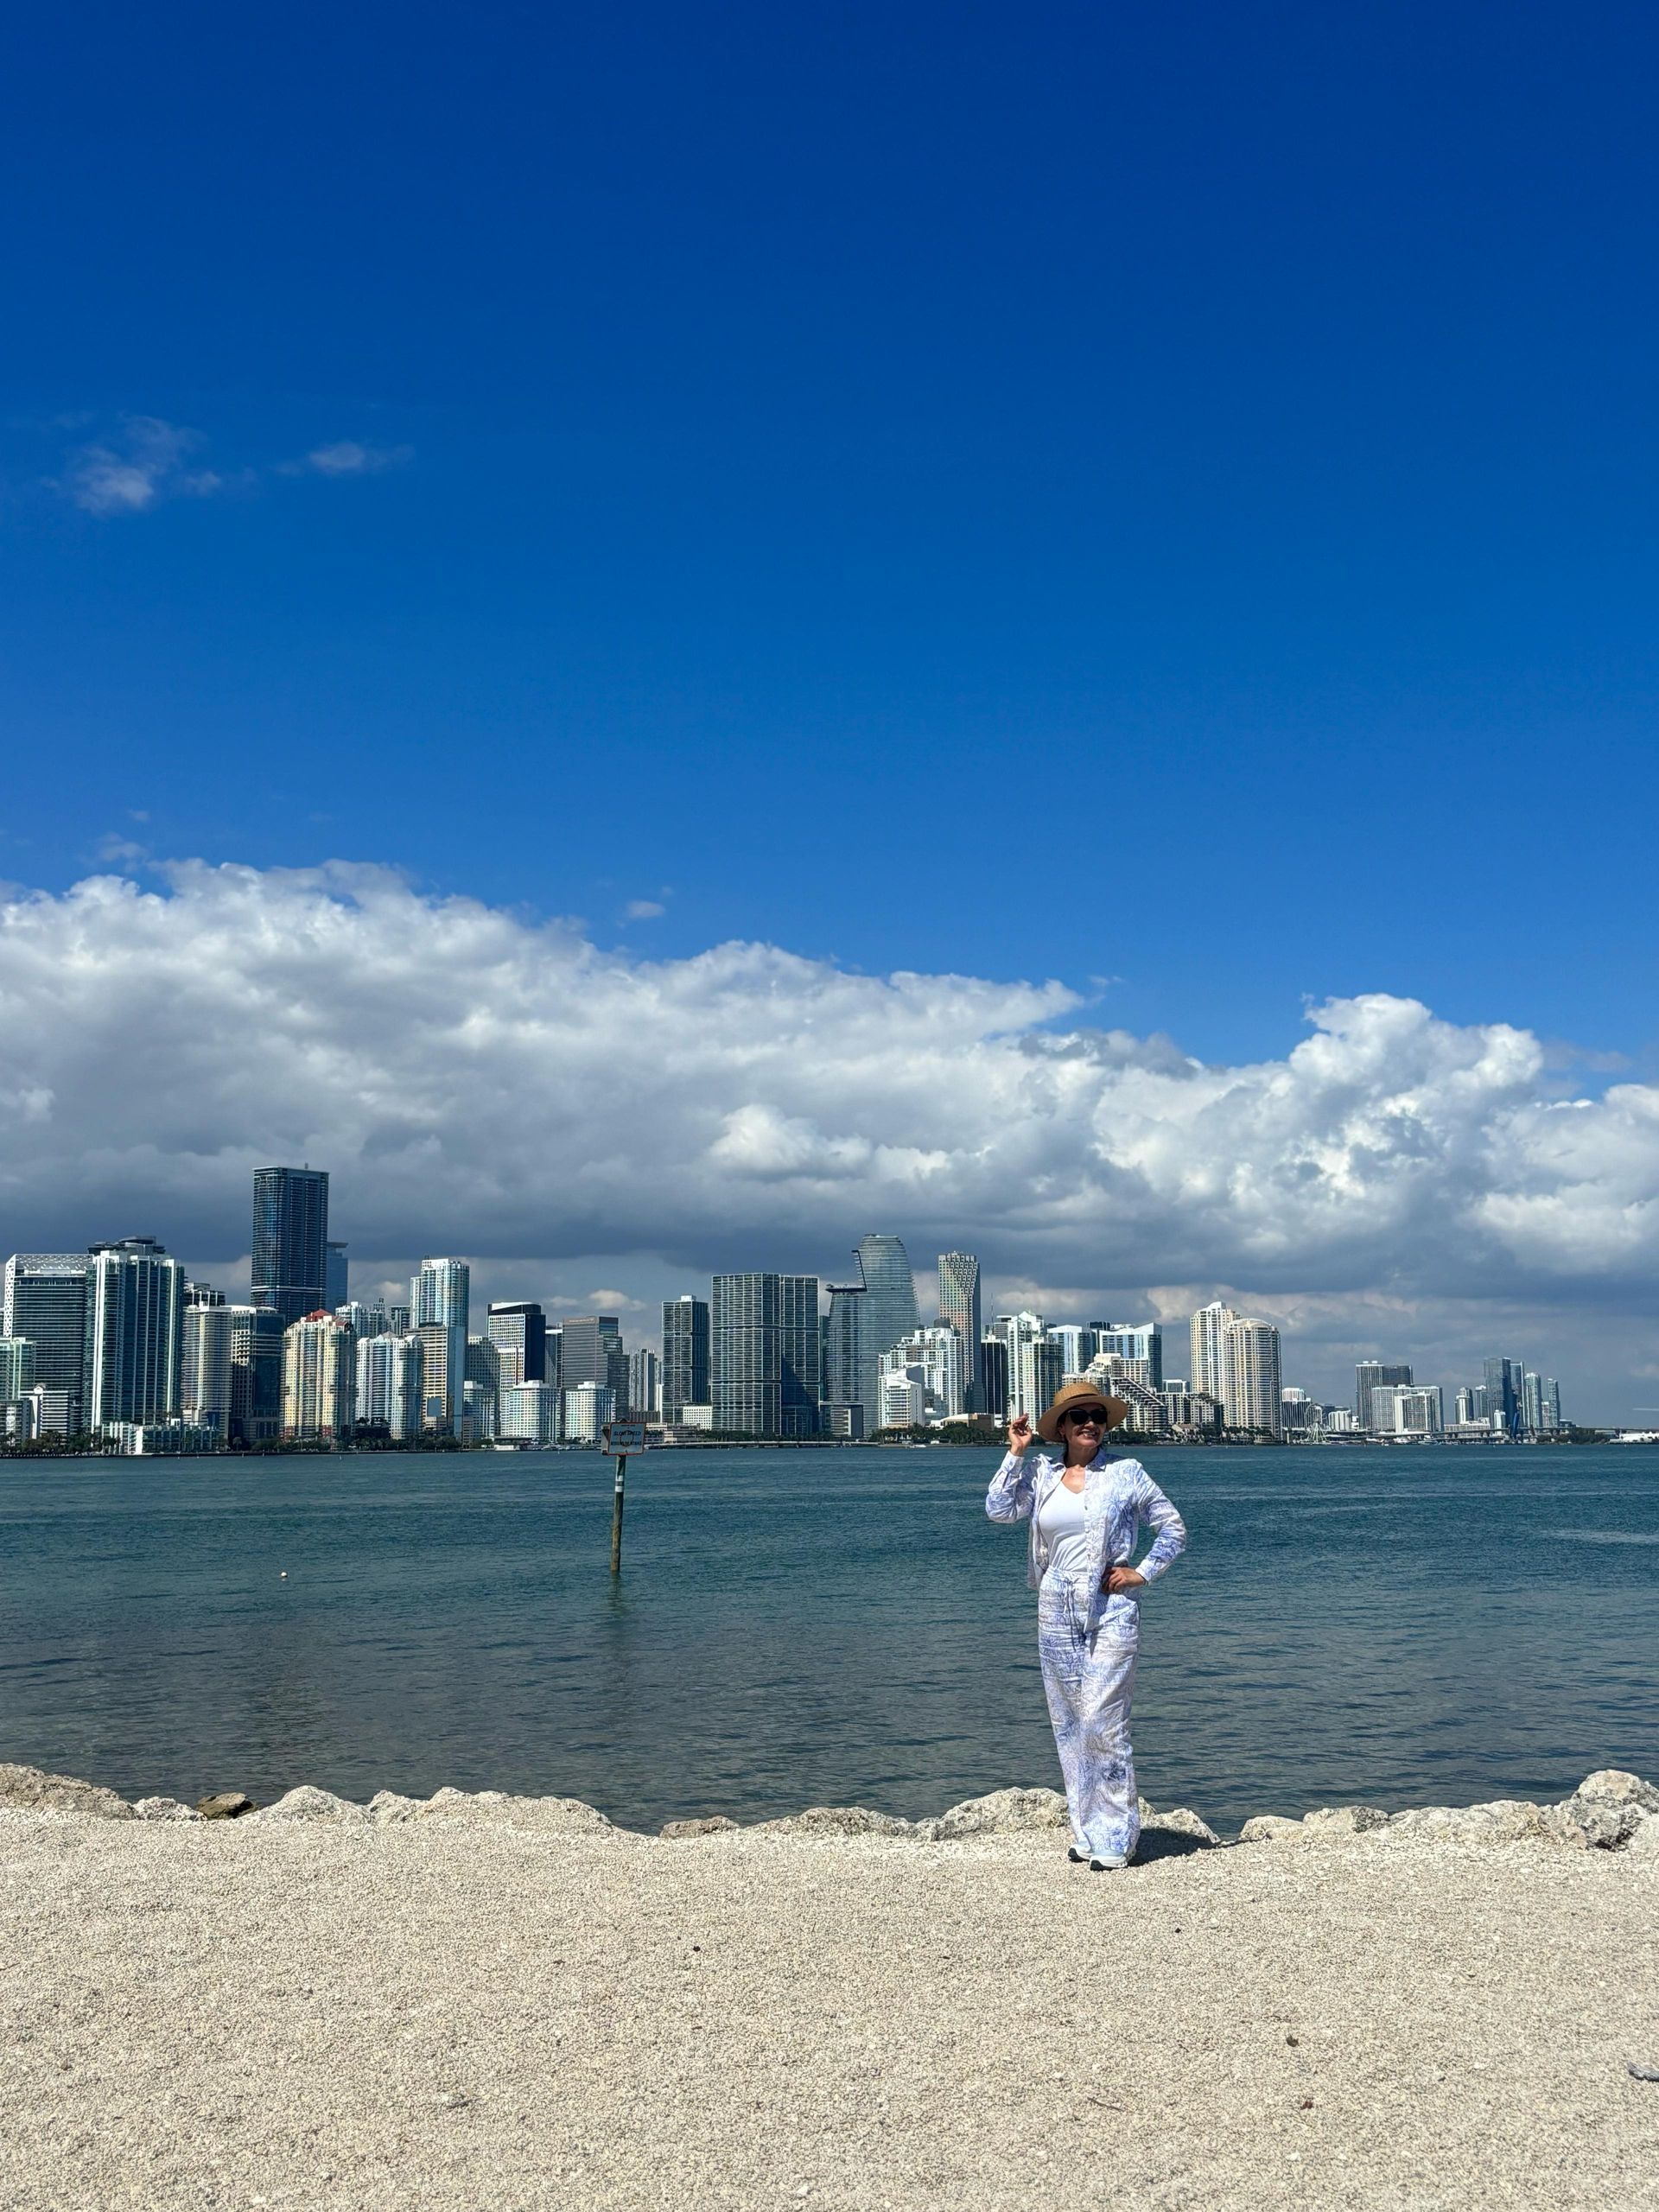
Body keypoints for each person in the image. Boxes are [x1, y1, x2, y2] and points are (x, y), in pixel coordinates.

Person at [986, 1380, 1187, 1871]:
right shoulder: (1041, 1474)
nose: (1090, 1423)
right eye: (1079, 1417)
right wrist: (1015, 1452)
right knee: (1070, 1723)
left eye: (1097, 1415)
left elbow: (1173, 1527)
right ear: (1063, 1428)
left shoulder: (1127, 1473)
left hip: (1109, 1602)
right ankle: (1086, 1831)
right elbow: (998, 1510)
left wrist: (1141, 1571)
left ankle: (1117, 1836)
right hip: (1055, 1602)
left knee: (1103, 1719)